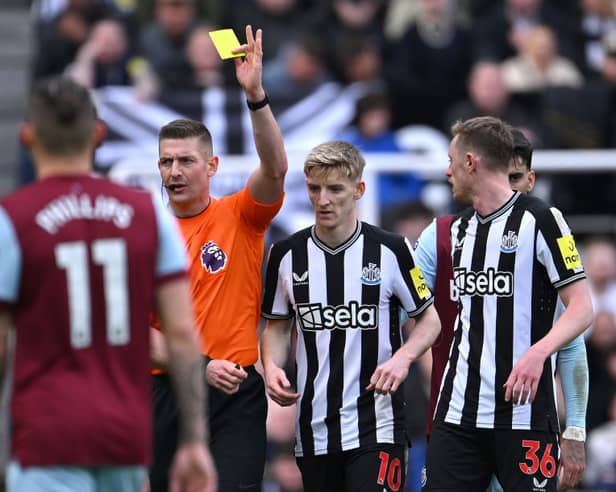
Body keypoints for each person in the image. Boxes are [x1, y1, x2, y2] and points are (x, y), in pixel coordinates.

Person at [0, 76, 216, 492]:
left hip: (47, 438)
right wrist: (193, 440)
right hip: (125, 439)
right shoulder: (147, 213)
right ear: (98, 135)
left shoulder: (13, 219)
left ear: (27, 138)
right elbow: (182, 334)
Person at [149, 25, 288, 492]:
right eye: (166, 162)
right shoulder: (143, 233)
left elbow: (275, 168)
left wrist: (256, 97)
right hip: (165, 390)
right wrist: (200, 364)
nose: (174, 171)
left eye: (185, 160)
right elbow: (138, 335)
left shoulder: (242, 217)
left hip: (235, 394)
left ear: (212, 166)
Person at [422, 116, 594, 492]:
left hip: (526, 415)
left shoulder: (543, 220)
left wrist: (539, 352)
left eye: (452, 160)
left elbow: (582, 307)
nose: (446, 170)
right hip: (457, 414)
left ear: (471, 163)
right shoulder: (455, 231)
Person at [260, 140, 442, 492]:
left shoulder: (392, 249)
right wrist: (271, 366)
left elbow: (429, 320)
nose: (323, 199)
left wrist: (403, 359)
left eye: (335, 189)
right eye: (315, 188)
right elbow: (277, 327)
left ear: (358, 190)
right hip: (313, 426)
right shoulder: (285, 255)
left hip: (378, 423)